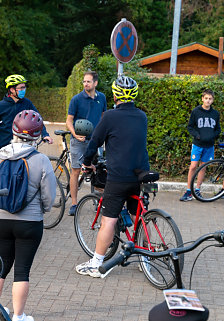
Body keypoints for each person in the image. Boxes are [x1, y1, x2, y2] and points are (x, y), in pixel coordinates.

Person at [0, 110, 56, 321]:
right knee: (22, 270)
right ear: (36, 135)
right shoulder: (41, 159)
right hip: (30, 222)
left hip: (3, 219)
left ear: (14, 130)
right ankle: (18, 316)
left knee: (1, 265)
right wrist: (42, 209)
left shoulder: (1, 153)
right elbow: (49, 196)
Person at [75, 75, 149, 278]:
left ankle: (97, 264)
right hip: (140, 175)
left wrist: (86, 162)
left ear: (116, 95)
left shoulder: (109, 117)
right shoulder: (142, 116)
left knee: (108, 220)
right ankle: (146, 256)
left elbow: (95, 142)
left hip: (118, 177)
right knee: (139, 216)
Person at [66, 71, 107, 216]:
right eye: (84, 81)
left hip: (95, 142)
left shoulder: (101, 98)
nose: (86, 84)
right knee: (76, 171)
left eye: (88, 81)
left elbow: (103, 117)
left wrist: (103, 134)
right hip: (79, 141)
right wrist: (75, 134)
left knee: (97, 170)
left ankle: (98, 202)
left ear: (95, 83)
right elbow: (69, 120)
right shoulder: (76, 99)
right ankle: (74, 204)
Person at [0, 74, 53, 153]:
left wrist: (45, 135)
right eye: (21, 88)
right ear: (12, 90)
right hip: (3, 147)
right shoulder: (0, 106)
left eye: (24, 87)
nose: (24, 90)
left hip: (22, 147)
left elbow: (38, 119)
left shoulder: (27, 103)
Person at [180, 89, 221, 201]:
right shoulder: (196, 111)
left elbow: (218, 129)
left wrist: (213, 136)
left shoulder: (215, 114)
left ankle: (197, 190)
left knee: (203, 167)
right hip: (197, 144)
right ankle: (188, 191)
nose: (208, 101)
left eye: (210, 99)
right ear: (202, 99)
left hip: (209, 145)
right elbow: (190, 127)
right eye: (206, 98)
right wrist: (197, 135)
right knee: (193, 166)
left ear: (213, 100)